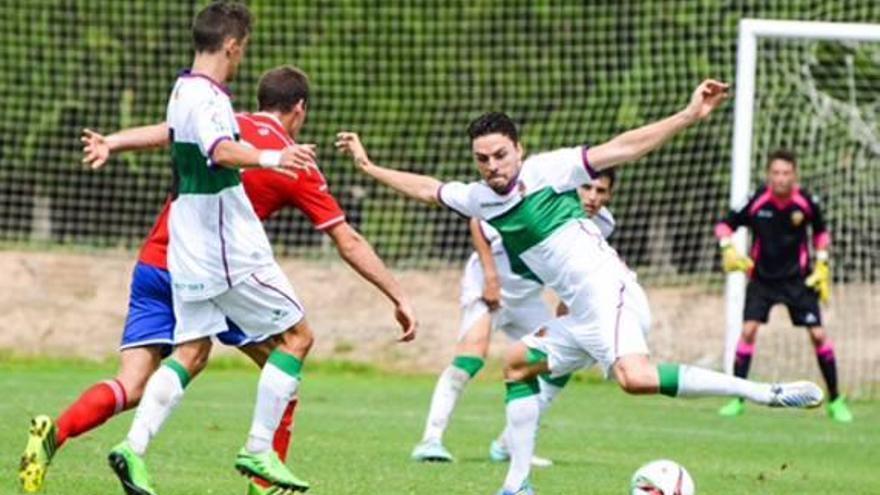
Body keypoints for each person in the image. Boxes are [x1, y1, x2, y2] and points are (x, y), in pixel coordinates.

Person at [335, 79, 825, 495]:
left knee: (635, 379)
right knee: (517, 365)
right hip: (579, 312)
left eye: (500, 155)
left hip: (605, 288)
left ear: (518, 150)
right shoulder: (479, 198)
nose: (492, 166)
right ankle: (517, 482)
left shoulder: (549, 170)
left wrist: (689, 115)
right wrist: (368, 167)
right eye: (482, 159)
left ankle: (766, 392)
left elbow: (624, 146)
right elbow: (426, 187)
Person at [97, 4, 411, 494]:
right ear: (233, 46)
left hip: (186, 245)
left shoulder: (185, 91)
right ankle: (259, 449)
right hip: (224, 244)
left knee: (192, 351)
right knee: (298, 338)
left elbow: (173, 136)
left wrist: (114, 142)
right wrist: (274, 157)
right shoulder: (213, 102)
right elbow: (220, 150)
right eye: (243, 47)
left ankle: (133, 448)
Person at [410, 170, 617, 466]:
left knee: (559, 363)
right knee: (471, 357)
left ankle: (510, 444)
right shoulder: (541, 199)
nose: (594, 197)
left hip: (528, 297)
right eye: (587, 188)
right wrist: (491, 278)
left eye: (602, 191)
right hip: (487, 285)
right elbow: (479, 222)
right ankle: (431, 440)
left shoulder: (604, 224)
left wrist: (567, 302)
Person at [714, 148, 852, 422]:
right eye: (775, 173)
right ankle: (737, 399)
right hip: (762, 280)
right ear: (769, 175)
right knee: (748, 330)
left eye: (786, 173)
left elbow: (822, 234)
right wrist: (727, 247)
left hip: (797, 281)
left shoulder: (806, 202)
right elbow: (724, 226)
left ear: (794, 175)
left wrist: (822, 263)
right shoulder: (757, 200)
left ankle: (836, 400)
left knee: (818, 335)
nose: (780, 178)